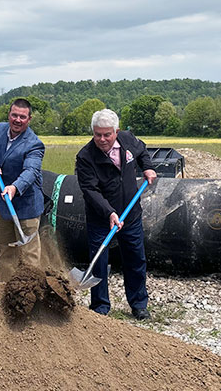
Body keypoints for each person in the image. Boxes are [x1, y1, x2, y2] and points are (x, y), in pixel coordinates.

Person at [74, 109, 156, 320]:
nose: (102, 139)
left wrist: (147, 168)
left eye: (107, 134)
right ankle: (100, 308)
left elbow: (142, 151)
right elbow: (90, 191)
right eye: (97, 134)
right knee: (99, 261)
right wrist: (109, 212)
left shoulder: (128, 139)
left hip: (130, 214)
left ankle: (138, 304)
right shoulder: (85, 157)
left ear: (116, 131)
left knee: (136, 259)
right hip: (101, 218)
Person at [0, 98, 45, 281]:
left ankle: (31, 293)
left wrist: (15, 187)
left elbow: (31, 171)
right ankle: (4, 291)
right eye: (14, 115)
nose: (17, 120)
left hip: (26, 206)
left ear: (29, 119)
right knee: (6, 251)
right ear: (9, 115)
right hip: (4, 203)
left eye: (22, 117)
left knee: (29, 256)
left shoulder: (34, 143)